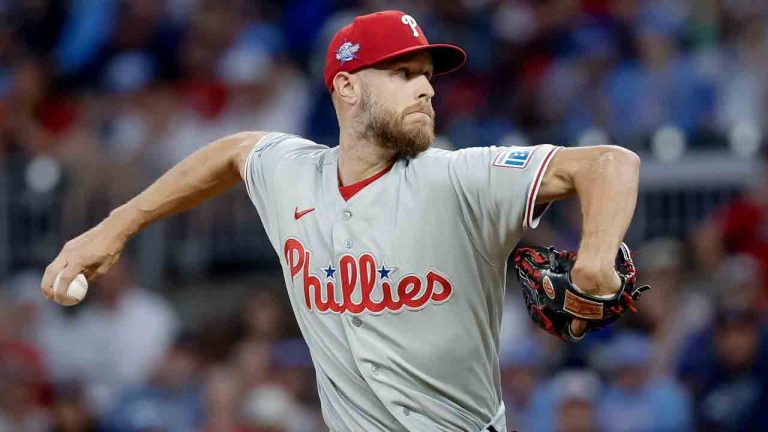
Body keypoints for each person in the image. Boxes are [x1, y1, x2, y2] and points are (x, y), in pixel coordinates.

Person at [40, 10, 641, 432]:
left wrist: (595, 253)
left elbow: (610, 164)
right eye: (404, 74)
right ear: (348, 87)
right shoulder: (292, 173)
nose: (427, 89)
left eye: (428, 74)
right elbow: (231, 151)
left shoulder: (459, 176)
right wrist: (113, 227)